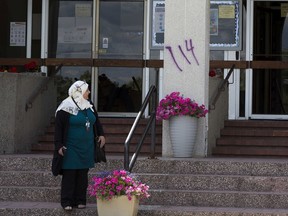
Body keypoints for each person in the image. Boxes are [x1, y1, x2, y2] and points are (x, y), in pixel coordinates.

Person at [54, 80, 105, 211]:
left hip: (87, 146)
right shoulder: (65, 106)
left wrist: (101, 134)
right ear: (79, 91)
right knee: (70, 173)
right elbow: (59, 128)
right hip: (70, 146)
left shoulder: (89, 104)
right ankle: (67, 201)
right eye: (87, 90)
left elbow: (96, 121)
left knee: (83, 173)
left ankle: (80, 200)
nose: (88, 92)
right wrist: (59, 145)